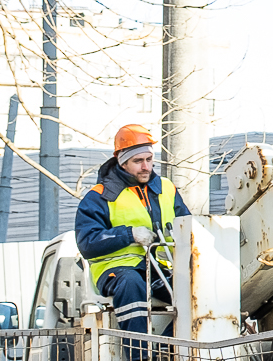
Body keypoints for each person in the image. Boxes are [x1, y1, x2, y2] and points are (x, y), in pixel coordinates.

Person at [74, 125, 192, 341]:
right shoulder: (100, 196)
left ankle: (167, 350)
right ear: (123, 162)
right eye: (138, 161)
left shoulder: (167, 189)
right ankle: (140, 360)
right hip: (117, 272)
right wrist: (130, 235)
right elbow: (87, 242)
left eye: (149, 159)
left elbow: (189, 229)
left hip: (160, 270)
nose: (146, 166)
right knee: (132, 283)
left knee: (197, 292)